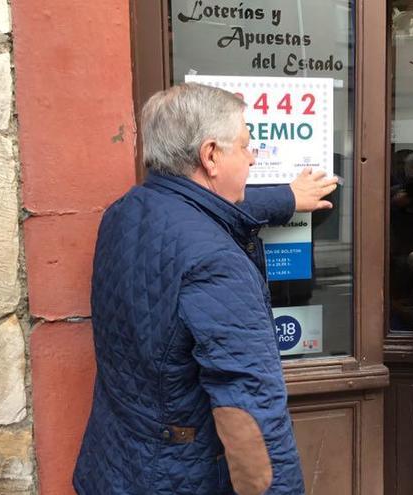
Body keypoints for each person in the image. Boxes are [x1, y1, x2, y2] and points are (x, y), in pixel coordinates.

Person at [73, 83, 337, 495]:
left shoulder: (124, 213)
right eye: (247, 146)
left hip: (116, 463)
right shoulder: (218, 264)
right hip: (177, 477)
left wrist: (285, 198)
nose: (253, 158)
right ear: (211, 155)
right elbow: (251, 412)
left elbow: (200, 209)